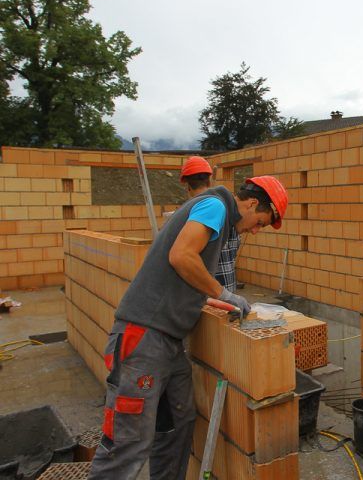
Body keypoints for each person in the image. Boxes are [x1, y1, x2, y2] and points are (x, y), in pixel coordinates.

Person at [88, 175, 288, 480]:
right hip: (144, 337)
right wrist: (222, 292)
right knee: (128, 442)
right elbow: (181, 256)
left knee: (178, 424)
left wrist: (212, 302)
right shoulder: (215, 206)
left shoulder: (217, 215)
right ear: (251, 203)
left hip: (168, 342)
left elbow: (185, 275)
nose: (256, 230)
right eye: (261, 221)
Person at [179, 155, 240, 293]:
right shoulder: (229, 209)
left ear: (187, 186)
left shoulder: (191, 219)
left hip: (209, 295)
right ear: (210, 181)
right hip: (228, 292)